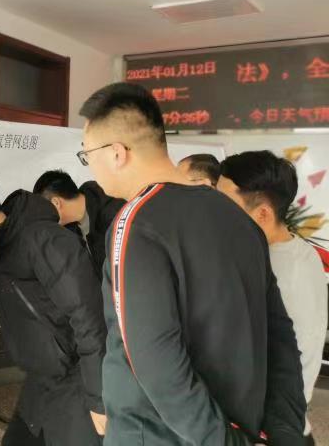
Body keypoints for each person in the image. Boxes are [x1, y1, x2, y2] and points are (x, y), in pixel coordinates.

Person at [77, 82, 305, 446]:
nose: (89, 166)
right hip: (237, 426)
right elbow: (279, 336)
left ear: (117, 152)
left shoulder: (136, 222)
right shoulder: (239, 220)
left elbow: (156, 361)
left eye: (86, 154)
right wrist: (285, 433)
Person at [0, 169, 105, 446]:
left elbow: (88, 317)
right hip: (40, 381)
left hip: (77, 380)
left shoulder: (44, 240)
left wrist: (99, 398)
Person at [219, 150, 327, 445]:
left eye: (223, 205)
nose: (214, 214)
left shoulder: (277, 274)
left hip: (270, 432)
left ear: (263, 214)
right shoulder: (299, 252)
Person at [33, 170, 125, 278]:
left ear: (56, 203)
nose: (45, 220)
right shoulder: (70, 230)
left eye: (43, 212)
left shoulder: (114, 213)